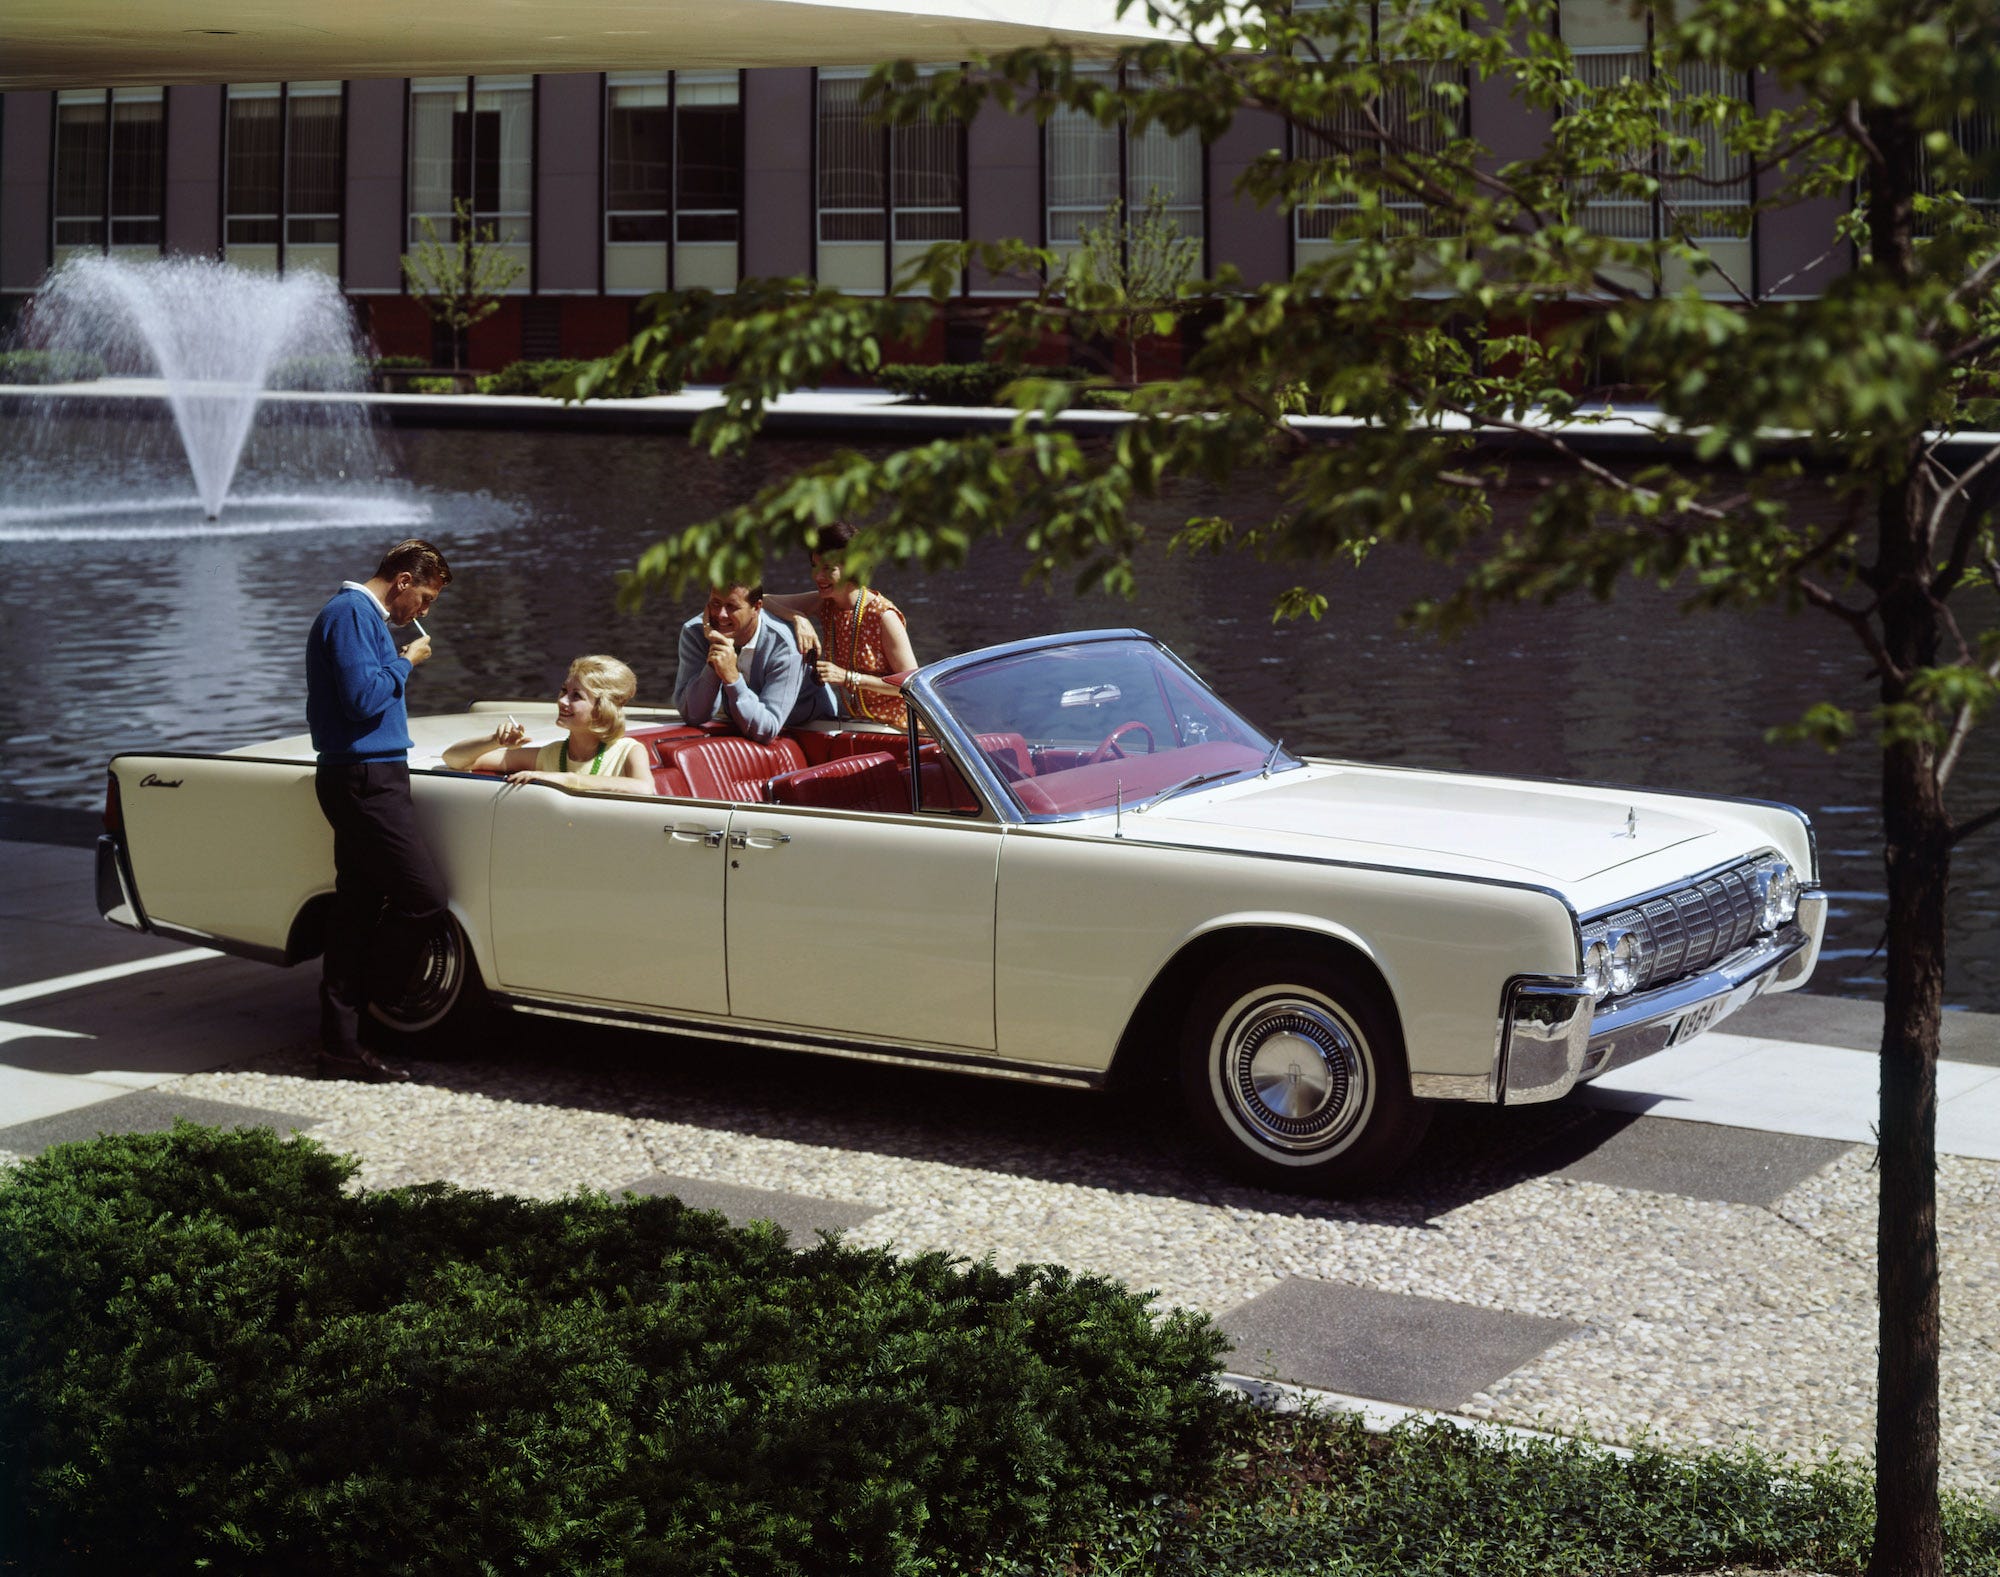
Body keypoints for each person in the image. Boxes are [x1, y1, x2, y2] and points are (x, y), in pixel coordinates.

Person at [305, 538, 452, 1083]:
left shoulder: (361, 617)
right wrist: (405, 661)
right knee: (423, 899)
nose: (424, 612)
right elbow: (362, 699)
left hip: (370, 774)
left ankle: (340, 1045)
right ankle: (387, 1006)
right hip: (363, 779)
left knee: (358, 907)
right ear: (404, 581)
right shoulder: (349, 613)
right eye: (427, 597)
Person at [764, 521, 918, 729]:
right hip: (857, 726)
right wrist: (797, 617)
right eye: (814, 567)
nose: (817, 577)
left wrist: (848, 678)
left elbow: (911, 685)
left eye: (827, 569)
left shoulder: (884, 616)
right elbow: (760, 601)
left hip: (901, 730)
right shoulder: (824, 603)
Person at [443, 655, 654, 795]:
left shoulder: (628, 750)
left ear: (602, 708)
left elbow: (644, 788)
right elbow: (454, 759)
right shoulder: (550, 755)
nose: (562, 701)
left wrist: (563, 779)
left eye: (576, 696)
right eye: (564, 691)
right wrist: (494, 741)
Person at [672, 582, 833, 742]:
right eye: (715, 603)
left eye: (731, 606)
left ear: (756, 608)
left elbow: (766, 729)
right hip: (747, 725)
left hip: (816, 730)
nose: (721, 614)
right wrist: (716, 660)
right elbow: (693, 715)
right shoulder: (694, 632)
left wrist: (732, 679)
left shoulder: (785, 646)